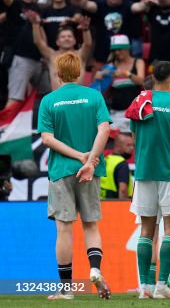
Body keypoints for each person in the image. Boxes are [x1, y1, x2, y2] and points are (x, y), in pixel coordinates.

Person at [37, 51, 111, 300]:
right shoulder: (94, 96)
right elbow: (104, 129)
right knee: (90, 225)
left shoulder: (49, 100)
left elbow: (47, 138)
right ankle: (95, 269)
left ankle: (67, 289)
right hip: (90, 172)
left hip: (61, 171)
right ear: (79, 73)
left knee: (64, 230)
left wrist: (78, 156)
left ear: (58, 74)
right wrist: (89, 161)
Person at [129, 61, 170, 300]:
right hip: (169, 173)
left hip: (144, 172)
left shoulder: (139, 101)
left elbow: (134, 138)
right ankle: (162, 284)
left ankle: (144, 286)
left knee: (146, 230)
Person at [99, 131, 134, 199]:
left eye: (132, 145)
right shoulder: (122, 164)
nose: (132, 148)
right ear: (118, 146)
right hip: (115, 205)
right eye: (128, 145)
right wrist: (124, 206)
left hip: (102, 202)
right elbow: (123, 190)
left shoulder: (106, 159)